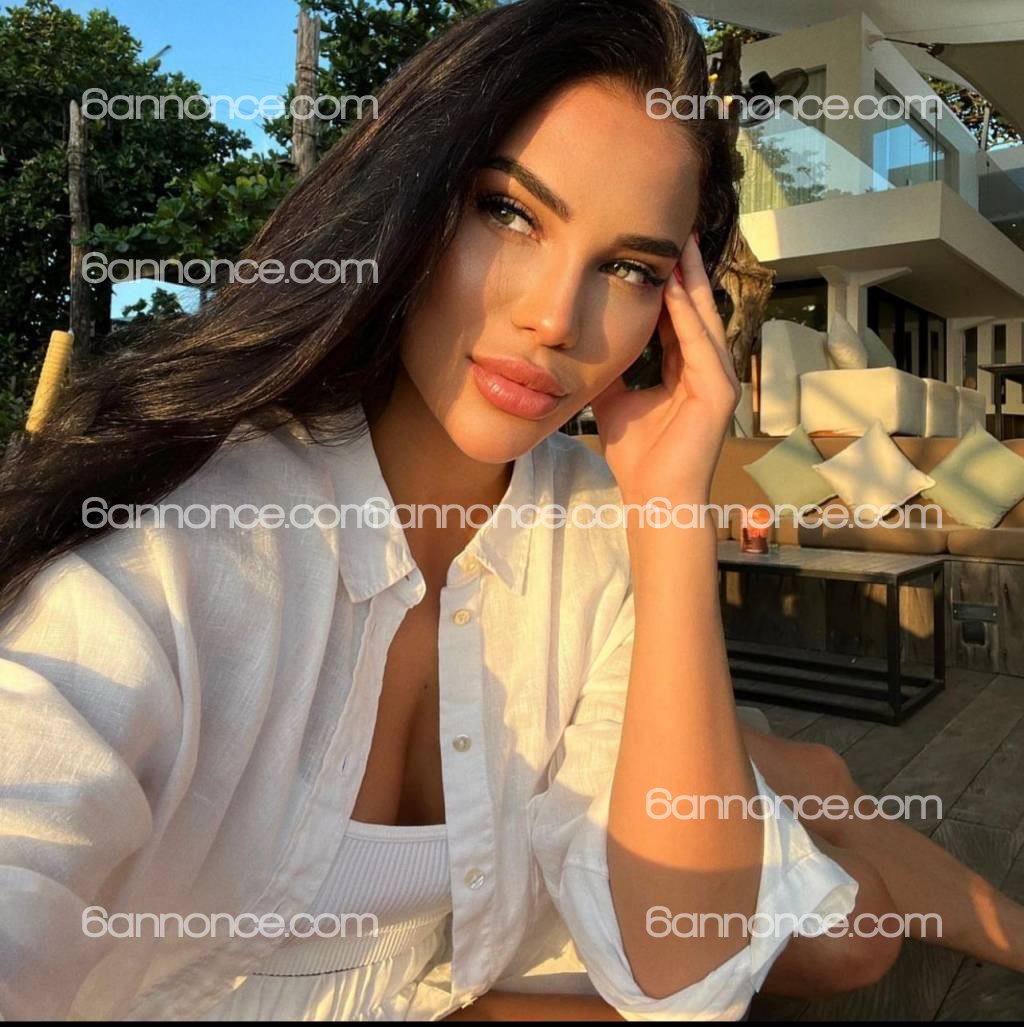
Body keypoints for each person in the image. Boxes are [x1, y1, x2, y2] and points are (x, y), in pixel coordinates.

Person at [1, 0, 1022, 1019]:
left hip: (508, 938)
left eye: (628, 268)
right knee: (848, 932)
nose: (554, 318)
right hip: (473, 980)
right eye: (509, 212)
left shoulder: (590, 520)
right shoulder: (172, 553)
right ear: (412, 200)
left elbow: (682, 959)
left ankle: (808, 785)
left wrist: (672, 509)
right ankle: (795, 776)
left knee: (854, 932)